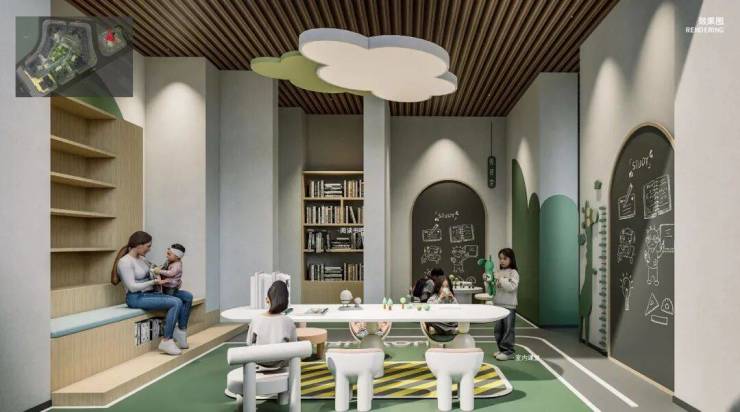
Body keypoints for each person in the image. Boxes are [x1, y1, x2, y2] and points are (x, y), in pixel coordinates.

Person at [111, 231, 193, 356]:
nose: (149, 249)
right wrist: (153, 282)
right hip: (135, 298)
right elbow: (132, 287)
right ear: (139, 245)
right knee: (176, 302)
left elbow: (155, 270)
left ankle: (181, 331)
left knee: (187, 297)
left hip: (151, 293)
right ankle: (166, 340)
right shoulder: (125, 262)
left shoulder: (142, 259)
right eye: (148, 246)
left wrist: (172, 280)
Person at [246, 280, 297, 369]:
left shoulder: (256, 320)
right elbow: (293, 345)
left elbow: (249, 343)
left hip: (259, 363)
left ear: (267, 300)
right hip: (281, 364)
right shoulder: (289, 321)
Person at [493, 248, 520, 361]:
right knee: (498, 330)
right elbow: (492, 289)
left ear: (511, 259)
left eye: (505, 258)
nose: (502, 261)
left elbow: (511, 287)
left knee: (508, 330)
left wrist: (500, 278)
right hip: (498, 305)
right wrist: (488, 280)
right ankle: (502, 349)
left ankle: (509, 352)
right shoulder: (498, 272)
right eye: (500, 258)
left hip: (509, 306)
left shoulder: (513, 273)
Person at [425, 269, 459, 336]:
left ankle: (437, 331)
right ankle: (450, 331)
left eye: (447, 286)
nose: (445, 288)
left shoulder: (451, 298)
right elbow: (430, 308)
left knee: (458, 321)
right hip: (438, 321)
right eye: (442, 286)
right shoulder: (434, 297)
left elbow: (458, 309)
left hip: (449, 322)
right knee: (429, 320)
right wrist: (440, 299)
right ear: (438, 287)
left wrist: (453, 299)